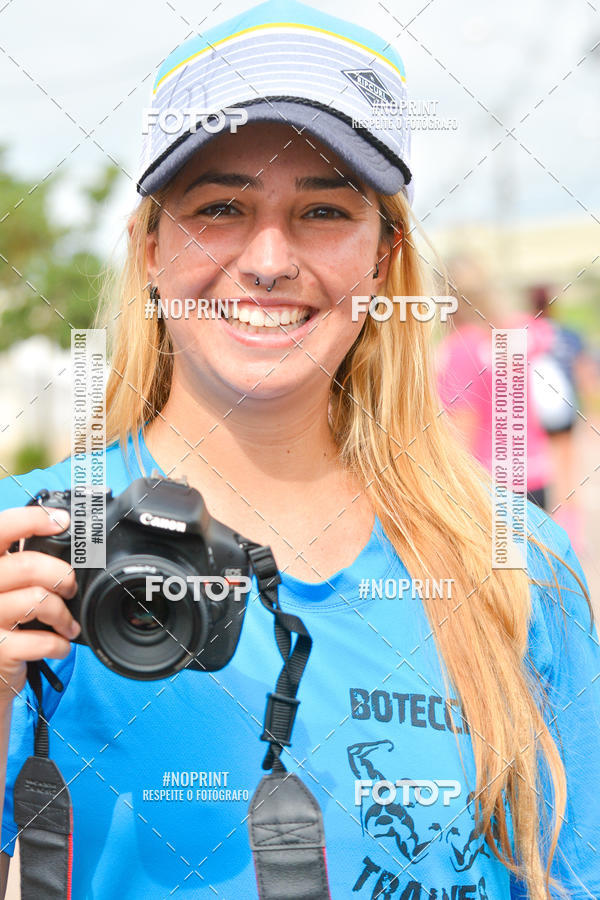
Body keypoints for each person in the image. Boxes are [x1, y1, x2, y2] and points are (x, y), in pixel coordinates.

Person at [0, 1, 599, 898]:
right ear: (151, 249)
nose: (270, 259)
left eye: (323, 208)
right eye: (221, 207)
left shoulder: (517, 565)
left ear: (385, 259)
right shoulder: (34, 540)